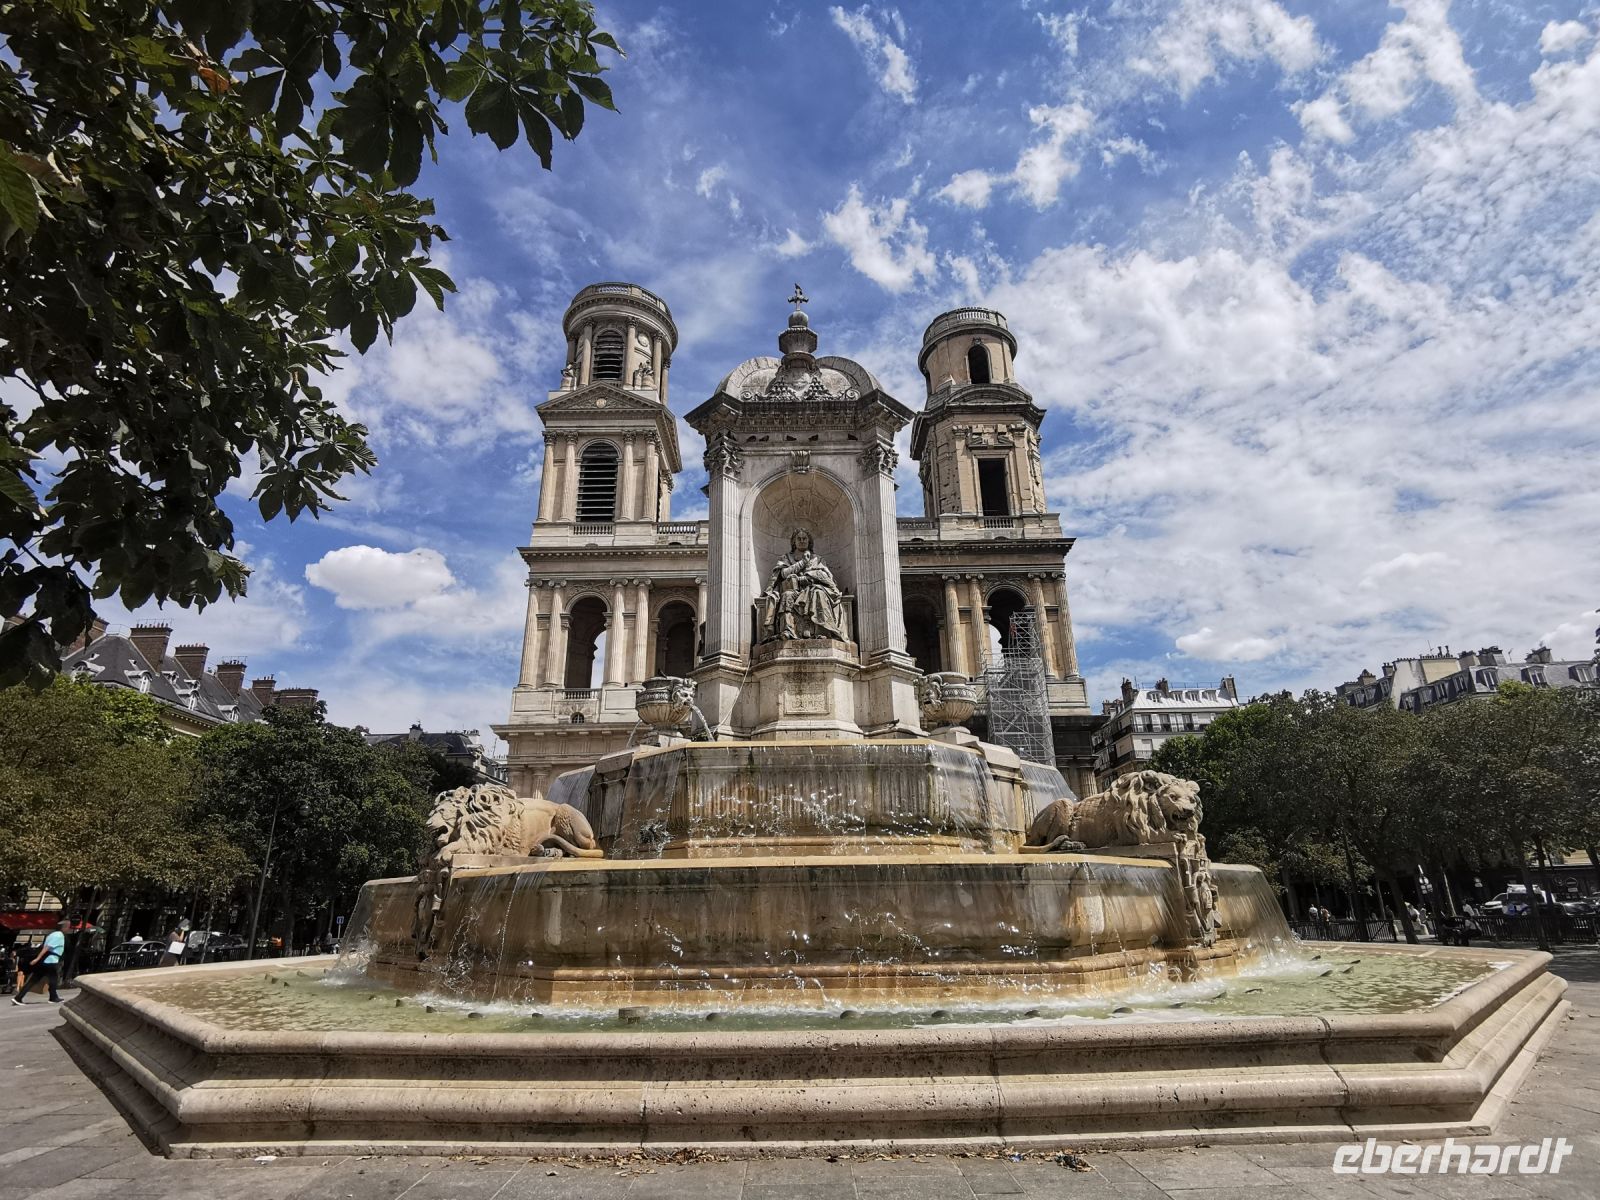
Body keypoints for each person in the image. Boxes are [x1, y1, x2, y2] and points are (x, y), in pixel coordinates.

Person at [756, 528, 849, 642]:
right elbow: (784, 574)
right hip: (793, 589)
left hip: (813, 588)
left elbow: (826, 576)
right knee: (786, 596)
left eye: (804, 538)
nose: (802, 541)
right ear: (793, 542)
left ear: (809, 541)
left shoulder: (817, 559)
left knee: (819, 593)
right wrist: (803, 562)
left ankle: (822, 631)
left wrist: (808, 577)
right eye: (799, 539)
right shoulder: (786, 558)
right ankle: (788, 631)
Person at [12, 919, 68, 1004]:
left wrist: (38, 959)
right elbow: (46, 948)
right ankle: (53, 997)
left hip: (45, 961)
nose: (68, 929)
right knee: (53, 979)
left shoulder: (51, 935)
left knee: (33, 980)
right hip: (50, 960)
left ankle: (18, 998)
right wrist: (37, 959)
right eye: (67, 926)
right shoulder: (59, 935)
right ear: (63, 927)